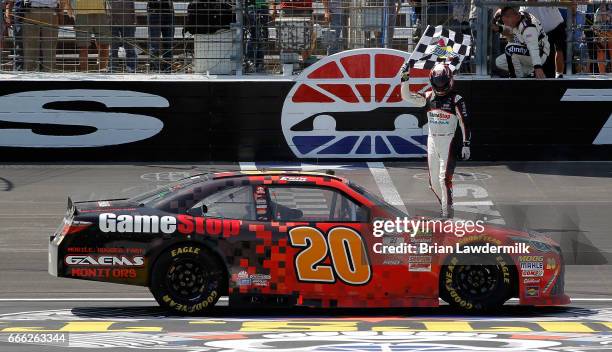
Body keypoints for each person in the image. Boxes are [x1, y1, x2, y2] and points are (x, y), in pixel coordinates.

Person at [400, 63, 471, 219]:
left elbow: (464, 122)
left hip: (449, 141)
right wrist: (405, 76)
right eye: (437, 82)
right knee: (433, 182)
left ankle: (447, 214)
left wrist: (466, 144)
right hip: (432, 140)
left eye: (443, 82)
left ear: (449, 79)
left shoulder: (456, 99)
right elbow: (406, 96)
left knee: (443, 179)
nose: (440, 85)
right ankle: (445, 205)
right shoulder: (428, 97)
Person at [493, 6, 549, 79]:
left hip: (539, 54)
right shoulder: (517, 17)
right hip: (528, 51)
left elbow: (533, 48)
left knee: (510, 49)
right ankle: (527, 74)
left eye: (507, 21)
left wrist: (538, 67)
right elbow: (510, 29)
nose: (506, 24)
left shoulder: (528, 27)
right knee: (500, 61)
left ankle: (517, 78)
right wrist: (497, 25)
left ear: (516, 16)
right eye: (504, 22)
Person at [520, 1, 566, 78]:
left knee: (559, 51)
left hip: (557, 26)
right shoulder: (524, 8)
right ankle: (544, 74)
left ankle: (559, 74)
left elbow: (565, 4)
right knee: (544, 55)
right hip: (542, 32)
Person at [68, 0, 111, 72]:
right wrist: (69, 7)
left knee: (105, 43)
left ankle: (103, 70)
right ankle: (84, 72)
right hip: (81, 13)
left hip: (101, 12)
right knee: (83, 45)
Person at [109, 0, 136, 73]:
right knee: (113, 48)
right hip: (113, 22)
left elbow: (132, 6)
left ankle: (131, 67)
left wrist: (133, 21)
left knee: (129, 47)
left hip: (128, 21)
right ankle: (112, 67)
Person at [147, 0, 174, 73]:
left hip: (168, 11)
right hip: (154, 10)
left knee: (168, 43)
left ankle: (167, 69)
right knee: (154, 44)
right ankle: (155, 69)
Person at [594, 3, 611, 74]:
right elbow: (596, 27)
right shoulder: (598, 11)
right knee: (600, 51)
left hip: (610, 30)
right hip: (601, 31)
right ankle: (602, 73)